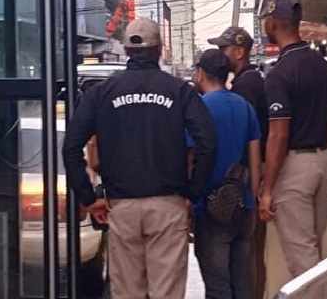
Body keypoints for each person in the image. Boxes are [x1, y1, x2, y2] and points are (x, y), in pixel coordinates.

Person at [62, 19, 217, 299]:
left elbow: (71, 146)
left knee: (127, 292)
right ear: (159, 49)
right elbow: (208, 142)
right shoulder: (180, 91)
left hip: (120, 207)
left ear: (126, 51)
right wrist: (193, 192)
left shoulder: (101, 93)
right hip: (168, 205)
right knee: (167, 291)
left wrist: (88, 197)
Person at [258, 0, 327, 298]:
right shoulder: (321, 65)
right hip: (322, 161)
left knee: (304, 260)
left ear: (272, 22)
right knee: (314, 251)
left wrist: (267, 188)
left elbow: (278, 134)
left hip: (295, 168)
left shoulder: (279, 73)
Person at [189, 49, 261, 299]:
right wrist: (251, 199)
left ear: (200, 74)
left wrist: (190, 203)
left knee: (218, 284)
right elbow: (254, 158)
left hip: (211, 210)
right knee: (242, 281)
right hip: (244, 206)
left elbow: (191, 158)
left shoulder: (198, 108)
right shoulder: (245, 106)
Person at [208, 26, 269, 299]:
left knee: (244, 264)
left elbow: (251, 145)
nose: (223, 53)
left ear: (240, 51)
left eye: (226, 48)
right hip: (245, 188)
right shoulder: (250, 82)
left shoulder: (246, 87)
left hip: (240, 190)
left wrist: (254, 194)